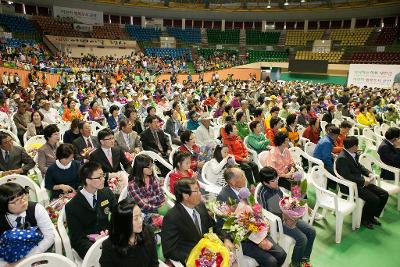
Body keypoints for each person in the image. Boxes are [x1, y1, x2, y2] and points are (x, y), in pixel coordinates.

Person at [217, 166, 287, 267]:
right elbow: (221, 224)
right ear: (233, 182)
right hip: (244, 239)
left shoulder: (245, 189)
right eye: (241, 176)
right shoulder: (223, 197)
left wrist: (263, 220)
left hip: (258, 231)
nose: (245, 177)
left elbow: (255, 208)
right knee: (271, 261)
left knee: (281, 254)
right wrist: (228, 238)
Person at [161, 178, 234, 264]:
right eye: (197, 191)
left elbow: (214, 227)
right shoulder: (172, 217)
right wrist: (197, 256)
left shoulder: (200, 207)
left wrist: (226, 238)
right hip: (193, 260)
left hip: (211, 253)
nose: (201, 194)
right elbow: (169, 250)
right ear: (185, 196)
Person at [257, 167, 315, 267]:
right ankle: (295, 263)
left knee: (311, 231)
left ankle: (304, 258)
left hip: (287, 216)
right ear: (265, 183)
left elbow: (283, 200)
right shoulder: (264, 194)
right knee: (302, 238)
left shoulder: (275, 187)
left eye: (277, 179)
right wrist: (287, 215)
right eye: (273, 180)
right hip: (278, 222)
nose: (276, 182)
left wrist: (293, 203)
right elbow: (269, 213)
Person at [65, 161, 117, 259]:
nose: (103, 179)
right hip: (89, 246)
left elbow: (118, 215)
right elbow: (77, 239)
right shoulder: (72, 206)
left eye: (103, 175)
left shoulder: (106, 193)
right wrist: (96, 249)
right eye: (99, 177)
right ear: (87, 180)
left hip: (109, 239)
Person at [335, 136, 389, 229]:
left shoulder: (352, 153)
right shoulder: (342, 158)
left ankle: (371, 216)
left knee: (384, 194)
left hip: (359, 182)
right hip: (350, 186)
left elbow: (359, 166)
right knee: (374, 199)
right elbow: (347, 176)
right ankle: (364, 220)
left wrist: (368, 173)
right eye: (357, 145)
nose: (358, 146)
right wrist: (363, 180)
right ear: (353, 146)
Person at [0, 183, 54, 266]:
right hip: (8, 258)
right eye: (15, 201)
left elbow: (49, 237)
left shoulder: (36, 209)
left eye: (23, 196)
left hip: (37, 253)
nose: (23, 201)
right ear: (3, 206)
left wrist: (26, 259)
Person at [99, 198, 159, 267]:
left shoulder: (148, 232)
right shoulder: (109, 246)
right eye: (136, 218)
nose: (141, 220)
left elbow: (154, 263)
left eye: (140, 215)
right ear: (124, 222)